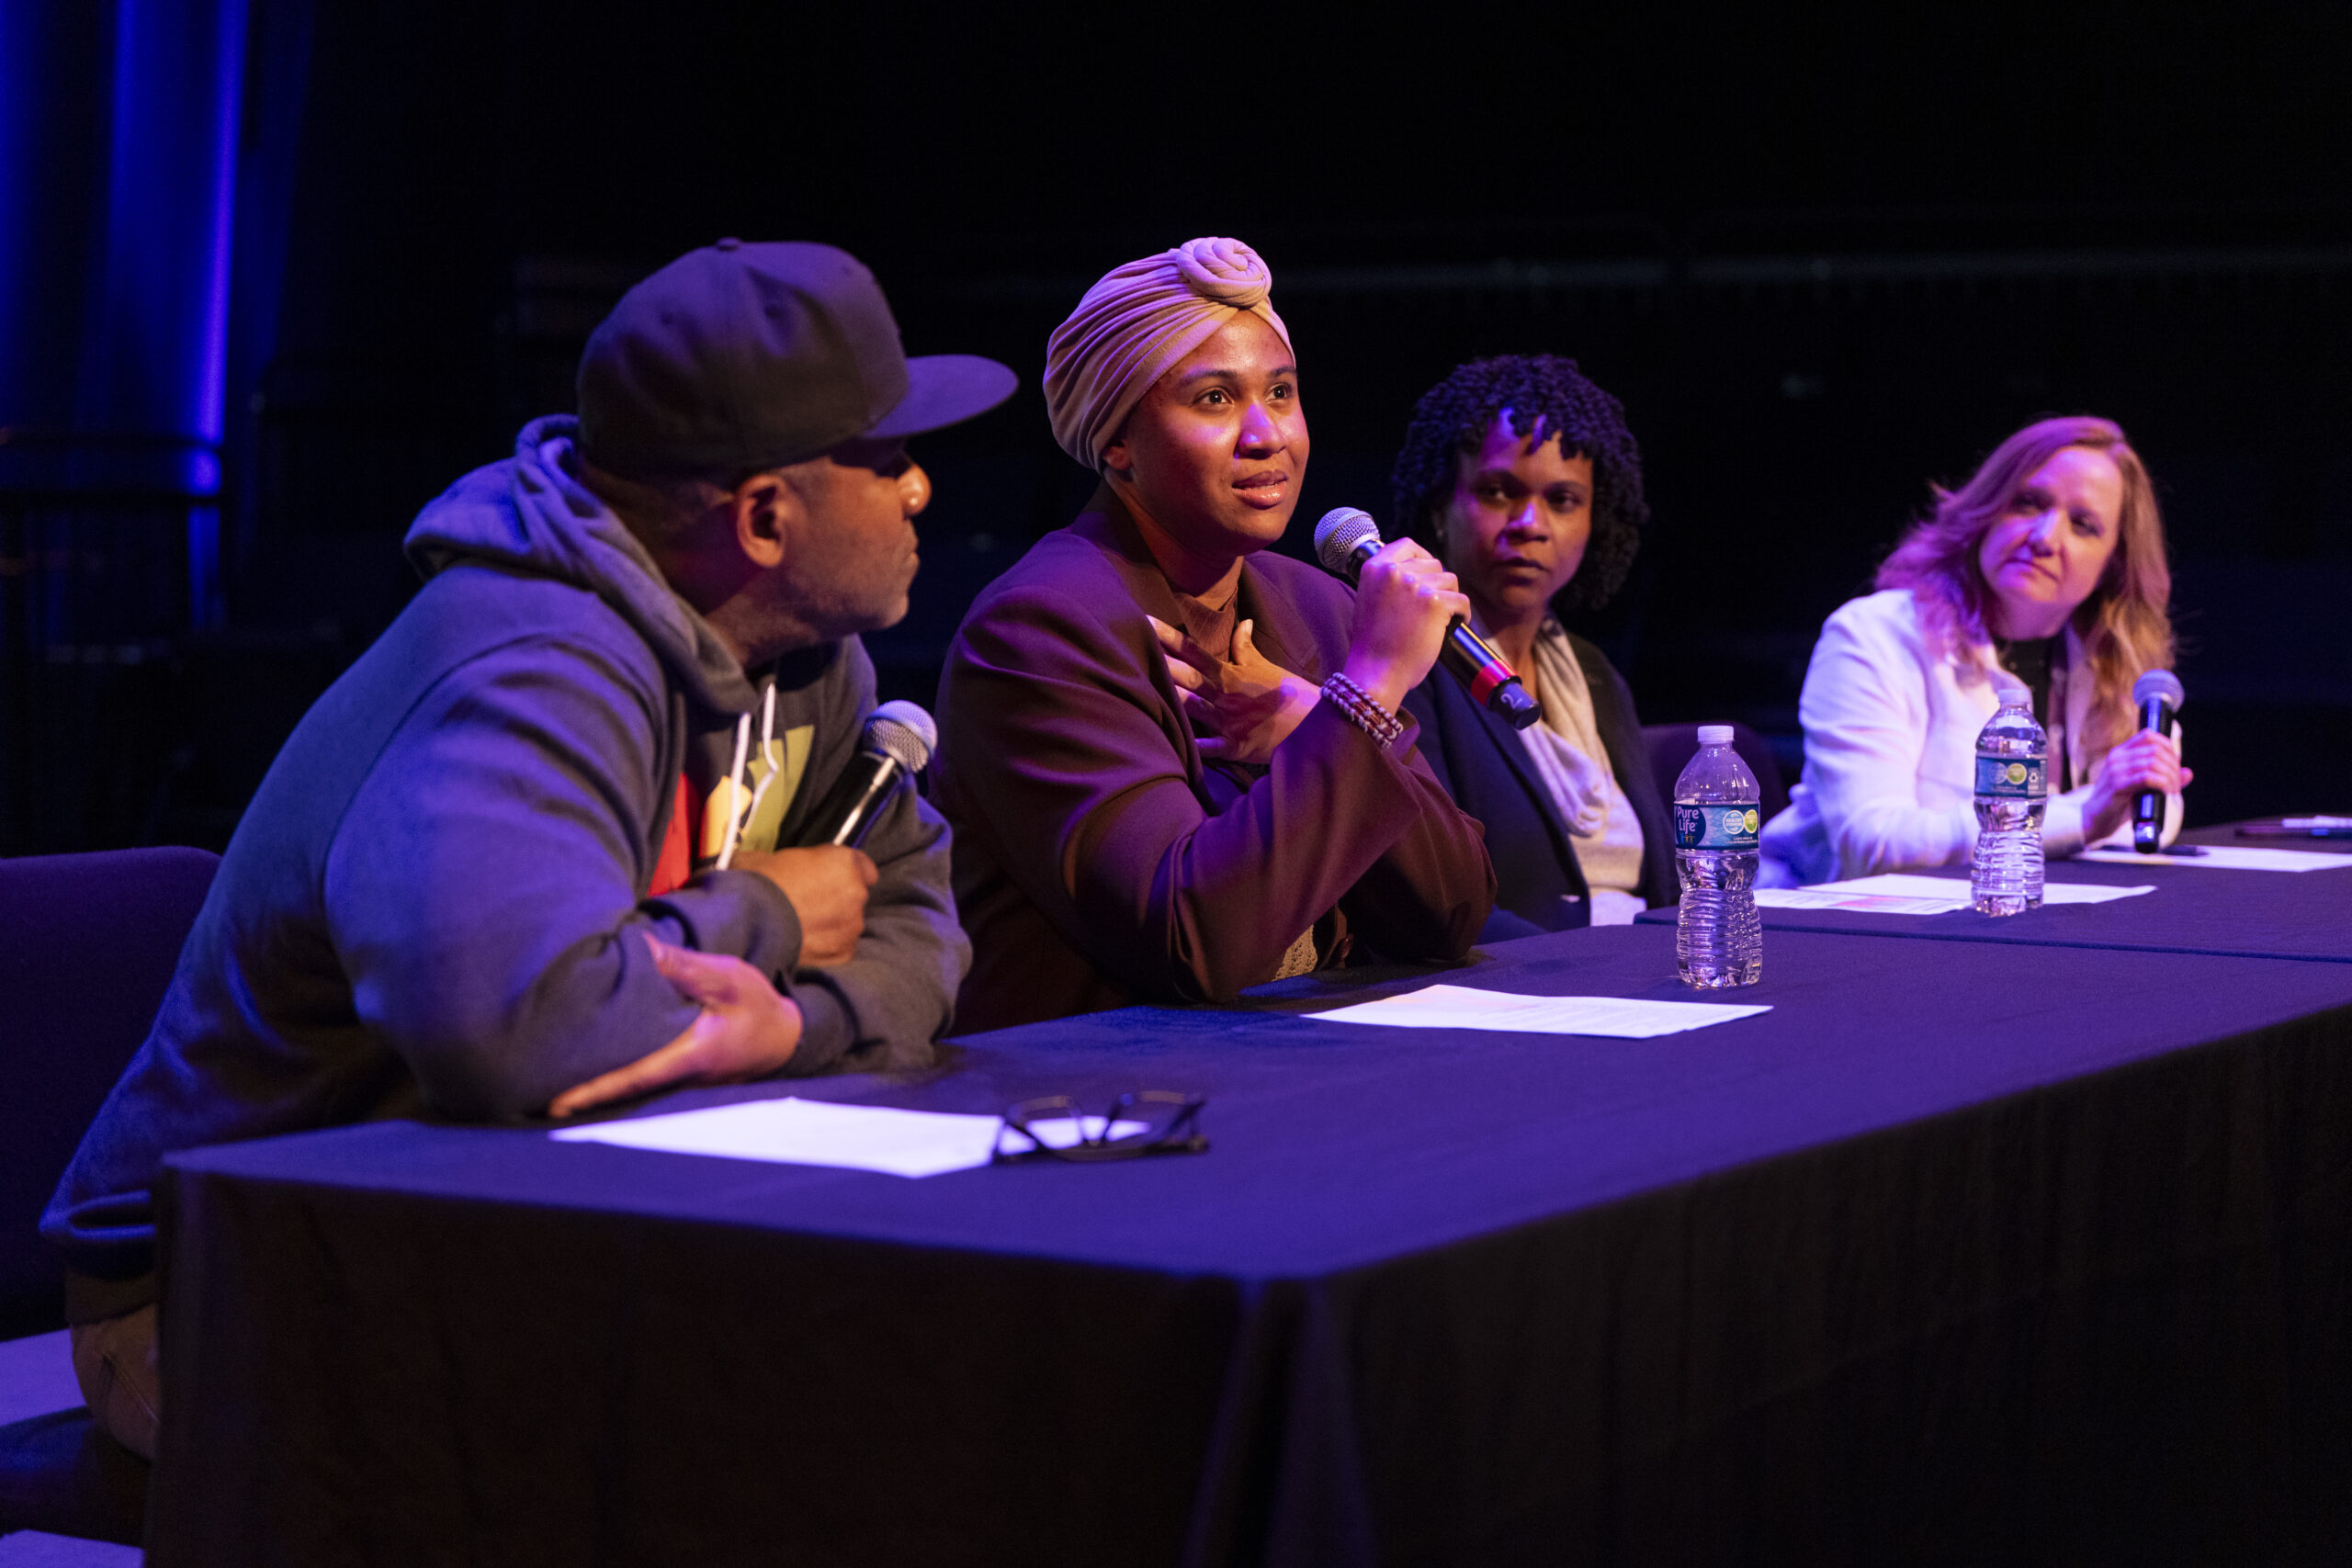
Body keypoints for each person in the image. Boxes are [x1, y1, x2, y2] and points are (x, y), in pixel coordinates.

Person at [42, 239, 1013, 1459]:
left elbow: (917, 925)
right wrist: (758, 913)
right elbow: (517, 1031)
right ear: (767, 515)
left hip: (512, 1224)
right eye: (886, 460)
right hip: (225, 1281)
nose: (922, 490)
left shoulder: (813, 657)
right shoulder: (530, 661)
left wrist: (793, 1026)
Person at [931, 237, 1494, 1032]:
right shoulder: (1041, 628)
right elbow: (1192, 941)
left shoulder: (1318, 605)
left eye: (1283, 392)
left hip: (1299, 1074)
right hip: (1105, 1109)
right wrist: (1364, 696)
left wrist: (1315, 721)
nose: (1267, 435)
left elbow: (1452, 911)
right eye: (1215, 401)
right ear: (1117, 442)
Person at [1759, 414, 2189, 886]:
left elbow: (2150, 816)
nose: (2045, 538)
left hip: (2015, 922)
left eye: (2083, 525)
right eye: (2028, 503)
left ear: (2114, 564)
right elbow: (1874, 845)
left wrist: (2106, 810)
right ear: (1987, 509)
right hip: (1834, 932)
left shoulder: (2115, 662)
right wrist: (2083, 817)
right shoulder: (1872, 635)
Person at [1390, 355, 1675, 937]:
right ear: (1441, 507)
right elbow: (1430, 899)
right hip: (1526, 990)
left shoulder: (1595, 675)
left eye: (1562, 500)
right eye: (1498, 492)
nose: (1530, 523)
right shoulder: (1410, 669)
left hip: (1640, 973)